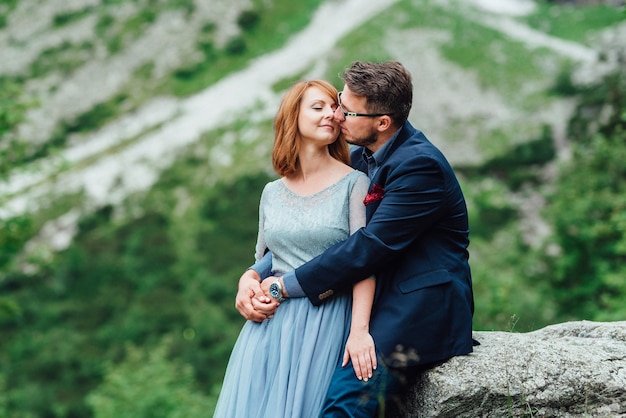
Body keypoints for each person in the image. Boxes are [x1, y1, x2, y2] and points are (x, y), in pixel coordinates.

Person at [237, 61, 476, 417]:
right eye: (336, 101)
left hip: (412, 305)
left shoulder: (419, 166)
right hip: (361, 296)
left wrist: (282, 287)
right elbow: (318, 235)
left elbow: (368, 246)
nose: (336, 115)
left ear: (382, 123)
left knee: (345, 405)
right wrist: (252, 276)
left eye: (346, 111)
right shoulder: (363, 157)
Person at [213, 79, 377, 418]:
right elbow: (267, 260)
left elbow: (364, 262)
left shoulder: (355, 183)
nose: (331, 114)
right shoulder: (271, 192)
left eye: (335, 107)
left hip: (325, 322)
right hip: (270, 325)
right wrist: (246, 280)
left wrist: (359, 331)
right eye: (318, 107)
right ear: (294, 118)